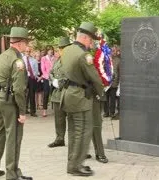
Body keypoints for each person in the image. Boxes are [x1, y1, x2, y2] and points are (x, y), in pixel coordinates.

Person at [0, 27, 32, 180]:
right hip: (9, 101)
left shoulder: (1, 56)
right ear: (20, 42)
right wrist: (23, 112)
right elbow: (19, 89)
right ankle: (12, 174)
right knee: (14, 136)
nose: (27, 45)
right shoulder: (17, 60)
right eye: (26, 42)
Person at [61, 22, 103, 176]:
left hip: (68, 95)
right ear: (85, 38)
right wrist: (101, 94)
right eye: (91, 39)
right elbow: (94, 77)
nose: (92, 42)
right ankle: (75, 166)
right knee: (83, 131)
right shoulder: (84, 55)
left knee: (73, 131)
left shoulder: (67, 50)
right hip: (80, 97)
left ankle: (72, 163)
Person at [48, 37, 71, 148]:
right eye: (60, 48)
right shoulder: (58, 60)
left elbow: (71, 75)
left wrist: (60, 82)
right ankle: (59, 138)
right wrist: (53, 80)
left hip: (67, 93)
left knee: (71, 120)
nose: (60, 50)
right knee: (59, 118)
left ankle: (74, 143)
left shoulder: (71, 60)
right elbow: (51, 72)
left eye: (63, 48)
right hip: (57, 94)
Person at [103, 45, 120, 119]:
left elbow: (119, 72)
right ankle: (106, 112)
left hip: (114, 83)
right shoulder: (106, 59)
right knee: (105, 98)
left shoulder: (119, 61)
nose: (112, 52)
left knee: (112, 99)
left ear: (116, 52)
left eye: (114, 51)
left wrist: (118, 82)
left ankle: (112, 113)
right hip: (106, 83)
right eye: (111, 50)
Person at [40, 45, 56, 117]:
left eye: (52, 50)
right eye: (49, 50)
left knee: (54, 93)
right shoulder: (43, 58)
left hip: (54, 78)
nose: (51, 51)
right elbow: (43, 69)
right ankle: (44, 110)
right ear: (47, 51)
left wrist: (53, 76)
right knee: (46, 94)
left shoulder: (55, 58)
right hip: (46, 78)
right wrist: (48, 76)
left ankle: (56, 109)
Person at [23, 47, 39, 117]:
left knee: (32, 95)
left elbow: (36, 70)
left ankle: (33, 112)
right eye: (26, 51)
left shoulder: (34, 60)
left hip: (32, 79)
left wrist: (33, 76)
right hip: (24, 78)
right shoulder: (21, 59)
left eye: (29, 51)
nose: (28, 53)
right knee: (23, 94)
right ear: (24, 52)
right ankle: (24, 109)